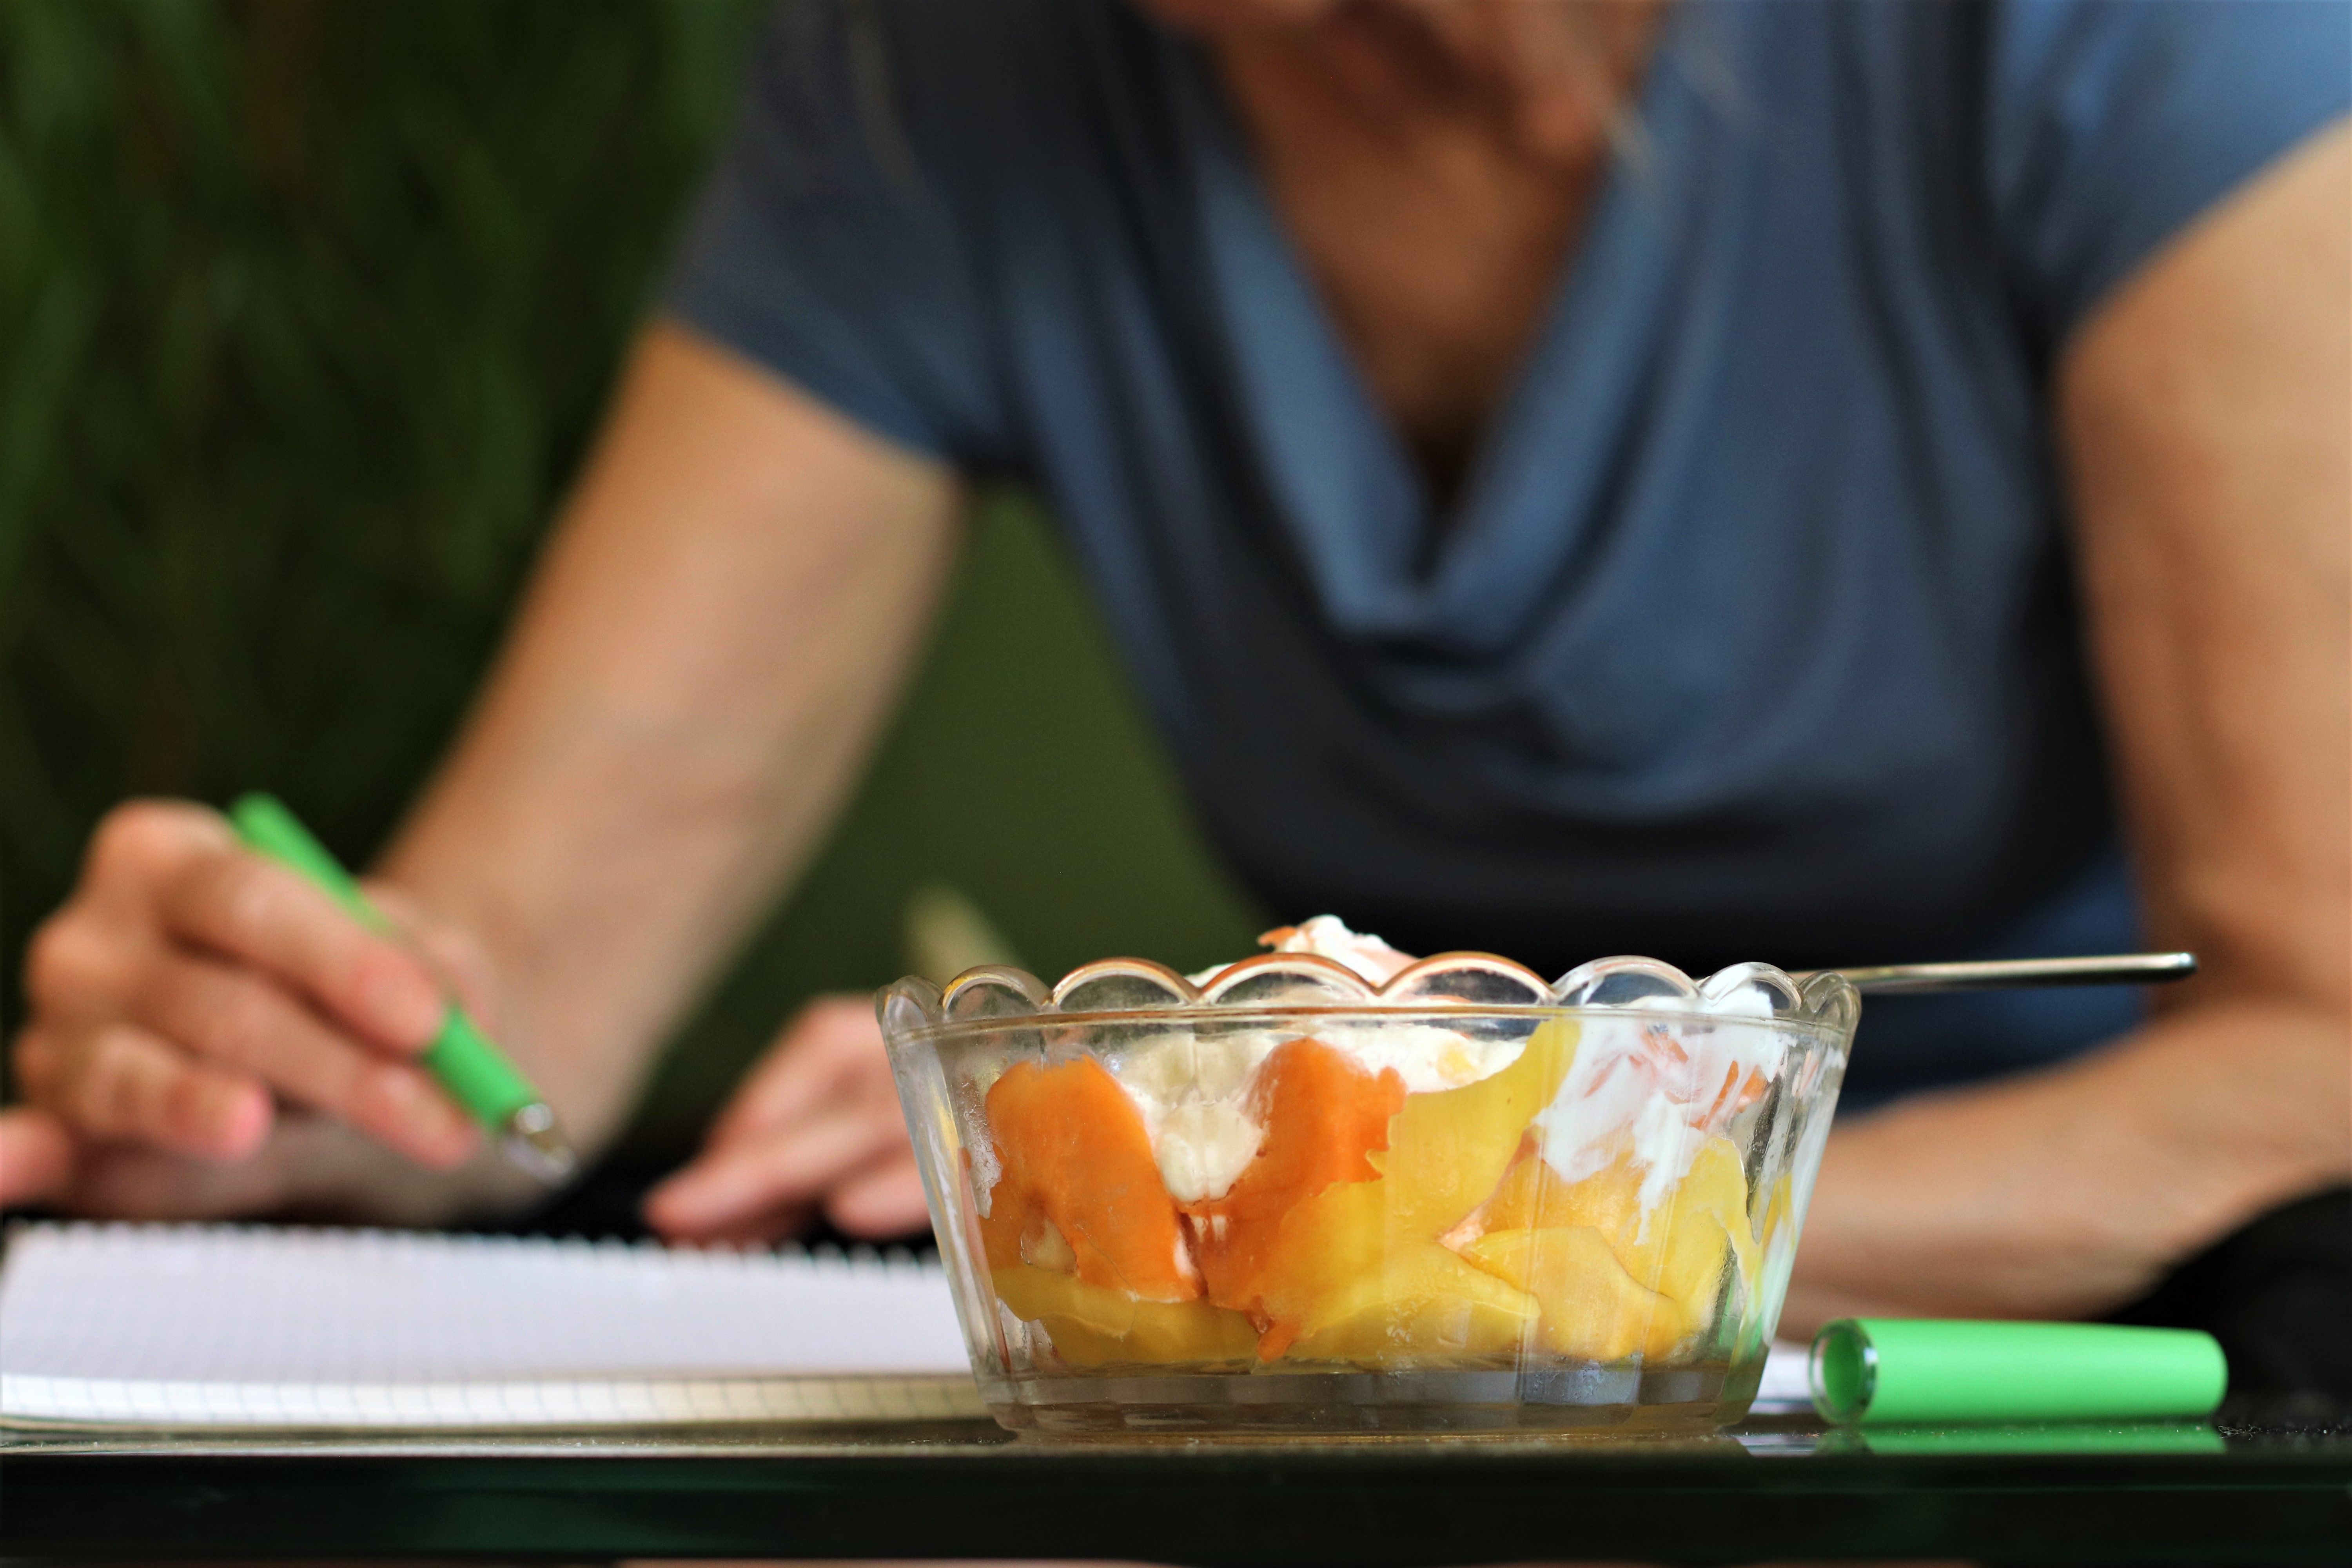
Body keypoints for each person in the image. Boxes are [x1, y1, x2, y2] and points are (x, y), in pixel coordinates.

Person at [9, 0, 2347, 1391]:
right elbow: (515, 994)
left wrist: (1394, 1221)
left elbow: (2315, 1049)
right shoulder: (939, 71)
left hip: (2060, 1383)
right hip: (1368, 1414)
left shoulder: (2136, 41)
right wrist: (279, 1079)